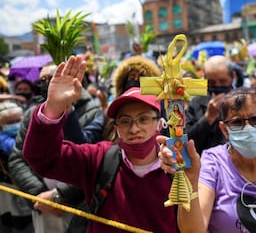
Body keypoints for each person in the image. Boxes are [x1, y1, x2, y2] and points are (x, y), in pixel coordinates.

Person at [22, 56, 176, 233]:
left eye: (143, 119)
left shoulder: (177, 164)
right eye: (125, 121)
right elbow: (41, 157)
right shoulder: (99, 158)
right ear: (115, 127)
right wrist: (53, 108)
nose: (134, 129)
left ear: (159, 123)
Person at [160, 88, 256, 233]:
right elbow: (193, 230)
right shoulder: (213, 163)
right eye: (237, 122)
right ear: (224, 129)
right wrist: (190, 180)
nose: (248, 128)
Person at [8, 63, 104, 233]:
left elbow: (91, 160)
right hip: (43, 206)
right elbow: (19, 159)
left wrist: (60, 194)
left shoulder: (92, 111)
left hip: (78, 206)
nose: (48, 84)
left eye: (51, 78)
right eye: (42, 80)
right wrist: (40, 195)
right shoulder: (34, 114)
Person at [186, 55, 236, 154]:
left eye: (222, 81)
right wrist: (208, 117)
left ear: (232, 77)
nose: (218, 86)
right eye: (212, 82)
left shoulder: (244, 100)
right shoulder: (196, 103)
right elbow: (187, 142)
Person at [0, 101, 33, 232]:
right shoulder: (2, 139)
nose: (15, 124)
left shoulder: (25, 132)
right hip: (9, 192)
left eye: (18, 120)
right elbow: (19, 150)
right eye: (10, 122)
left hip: (26, 190)